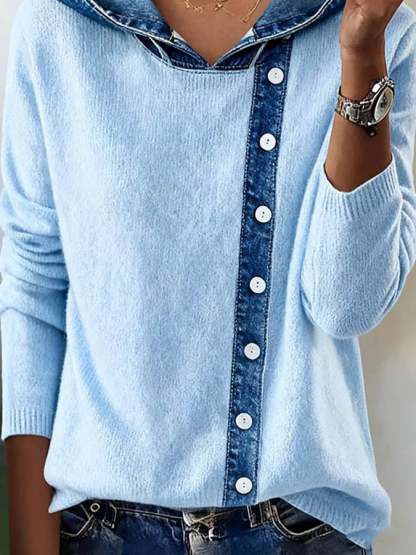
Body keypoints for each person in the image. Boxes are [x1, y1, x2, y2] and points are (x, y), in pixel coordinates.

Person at [1, 0, 415, 553]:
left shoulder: (377, 27)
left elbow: (348, 305)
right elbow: (33, 292)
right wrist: (30, 542)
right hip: (102, 529)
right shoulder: (59, 24)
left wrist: (361, 52)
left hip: (300, 529)